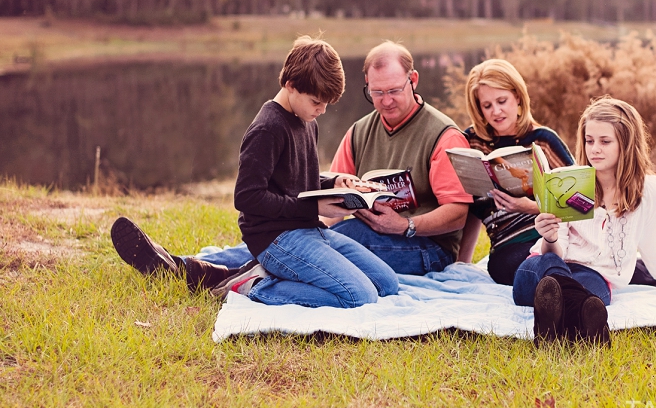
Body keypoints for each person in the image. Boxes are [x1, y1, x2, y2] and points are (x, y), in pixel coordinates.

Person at [110, 36, 399, 308]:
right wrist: (312, 206)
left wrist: (336, 182)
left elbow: (293, 181)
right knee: (359, 296)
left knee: (387, 283)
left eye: (326, 104)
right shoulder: (267, 129)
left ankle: (225, 270)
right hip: (276, 238)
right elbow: (247, 198)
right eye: (317, 102)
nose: (322, 110)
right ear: (291, 84)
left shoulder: (307, 120)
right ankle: (252, 284)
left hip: (308, 229)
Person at [512, 96, 656, 345]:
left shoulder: (646, 189)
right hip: (543, 265)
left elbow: (654, 245)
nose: (594, 149)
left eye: (605, 141)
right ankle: (576, 321)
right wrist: (549, 237)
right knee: (551, 280)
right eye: (589, 140)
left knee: (593, 295)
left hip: (592, 274)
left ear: (626, 144)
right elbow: (554, 252)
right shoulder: (568, 182)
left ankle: (553, 325)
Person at [325, 41, 472, 275]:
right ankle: (259, 261)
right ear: (367, 85)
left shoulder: (444, 135)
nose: (386, 101)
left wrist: (404, 225)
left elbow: (457, 214)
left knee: (344, 240)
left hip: (428, 248)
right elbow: (332, 199)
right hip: (369, 235)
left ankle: (269, 268)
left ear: (413, 80)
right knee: (317, 238)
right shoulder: (358, 132)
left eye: (394, 91)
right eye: (377, 92)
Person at [457, 59, 576, 285]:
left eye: (502, 101)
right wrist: (462, 263)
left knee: (555, 256)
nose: (496, 111)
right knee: (506, 265)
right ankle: (561, 281)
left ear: (518, 97)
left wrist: (528, 206)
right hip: (507, 244)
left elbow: (578, 202)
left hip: (550, 234)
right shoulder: (472, 143)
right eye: (487, 105)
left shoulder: (543, 140)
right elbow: (472, 206)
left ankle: (561, 282)